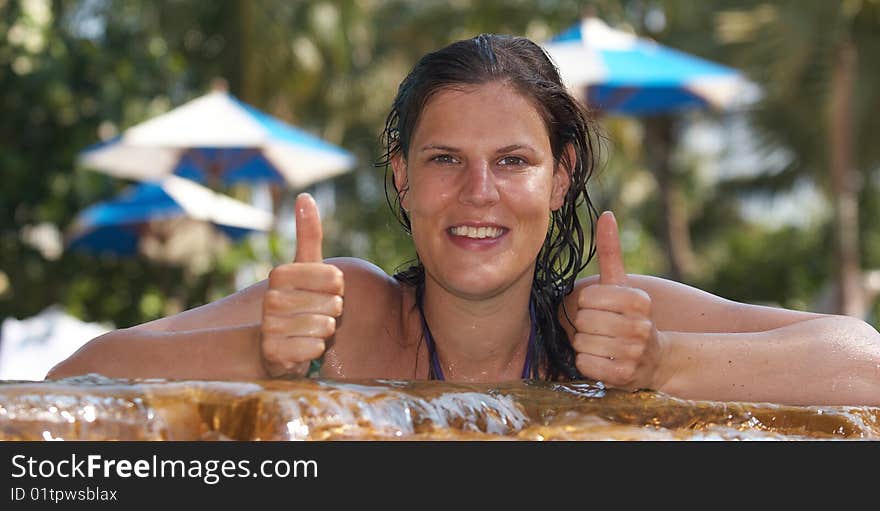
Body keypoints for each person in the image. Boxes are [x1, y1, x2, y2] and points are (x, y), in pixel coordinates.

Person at [47, 34, 880, 407]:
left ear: (562, 180)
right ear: (404, 180)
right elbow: (68, 388)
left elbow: (865, 362)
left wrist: (664, 360)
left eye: (513, 161)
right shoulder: (352, 316)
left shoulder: (610, 327)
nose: (478, 191)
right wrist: (258, 356)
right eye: (445, 159)